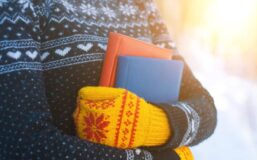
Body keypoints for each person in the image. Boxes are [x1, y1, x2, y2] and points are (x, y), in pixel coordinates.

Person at [0, 0, 217, 159]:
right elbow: (22, 144)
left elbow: (205, 109)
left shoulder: (142, 6)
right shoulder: (18, 6)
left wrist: (150, 124)